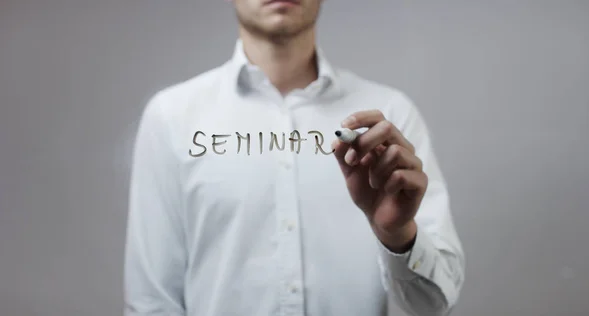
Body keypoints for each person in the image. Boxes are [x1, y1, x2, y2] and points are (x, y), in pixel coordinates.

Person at [124, 0, 465, 315]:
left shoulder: (389, 117)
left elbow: (433, 307)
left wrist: (398, 235)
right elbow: (152, 302)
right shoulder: (171, 118)